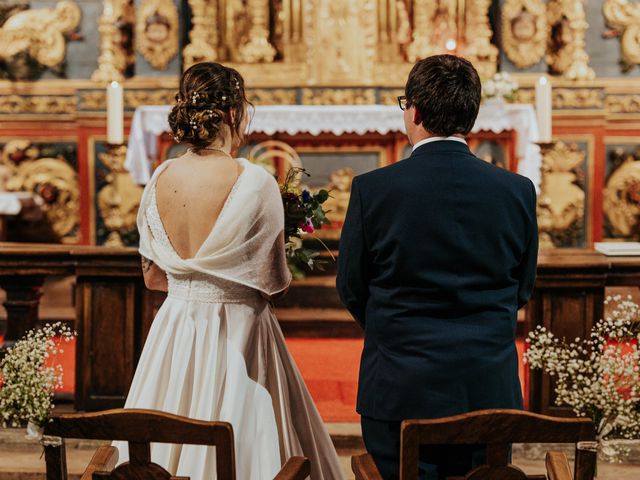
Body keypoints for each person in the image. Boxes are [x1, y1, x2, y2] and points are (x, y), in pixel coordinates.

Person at [116, 62, 343, 480]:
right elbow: (274, 285)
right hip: (239, 336)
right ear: (235, 115)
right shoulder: (255, 182)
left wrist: (191, 283)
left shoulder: (159, 178)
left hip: (174, 333)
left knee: (159, 453)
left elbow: (152, 278)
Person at [336, 54, 538, 479]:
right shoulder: (516, 191)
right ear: (473, 113)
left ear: (415, 111)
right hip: (488, 394)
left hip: (399, 392)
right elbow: (522, 286)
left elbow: (352, 286)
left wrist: (394, 330)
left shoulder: (374, 190)